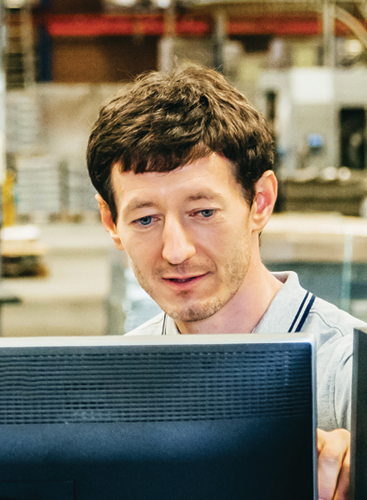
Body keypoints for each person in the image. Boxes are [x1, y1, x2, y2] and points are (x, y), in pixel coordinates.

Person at [86, 65, 361, 500]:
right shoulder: (115, 381)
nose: (175, 251)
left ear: (261, 202)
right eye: (145, 219)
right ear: (111, 222)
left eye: (203, 212)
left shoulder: (349, 375)